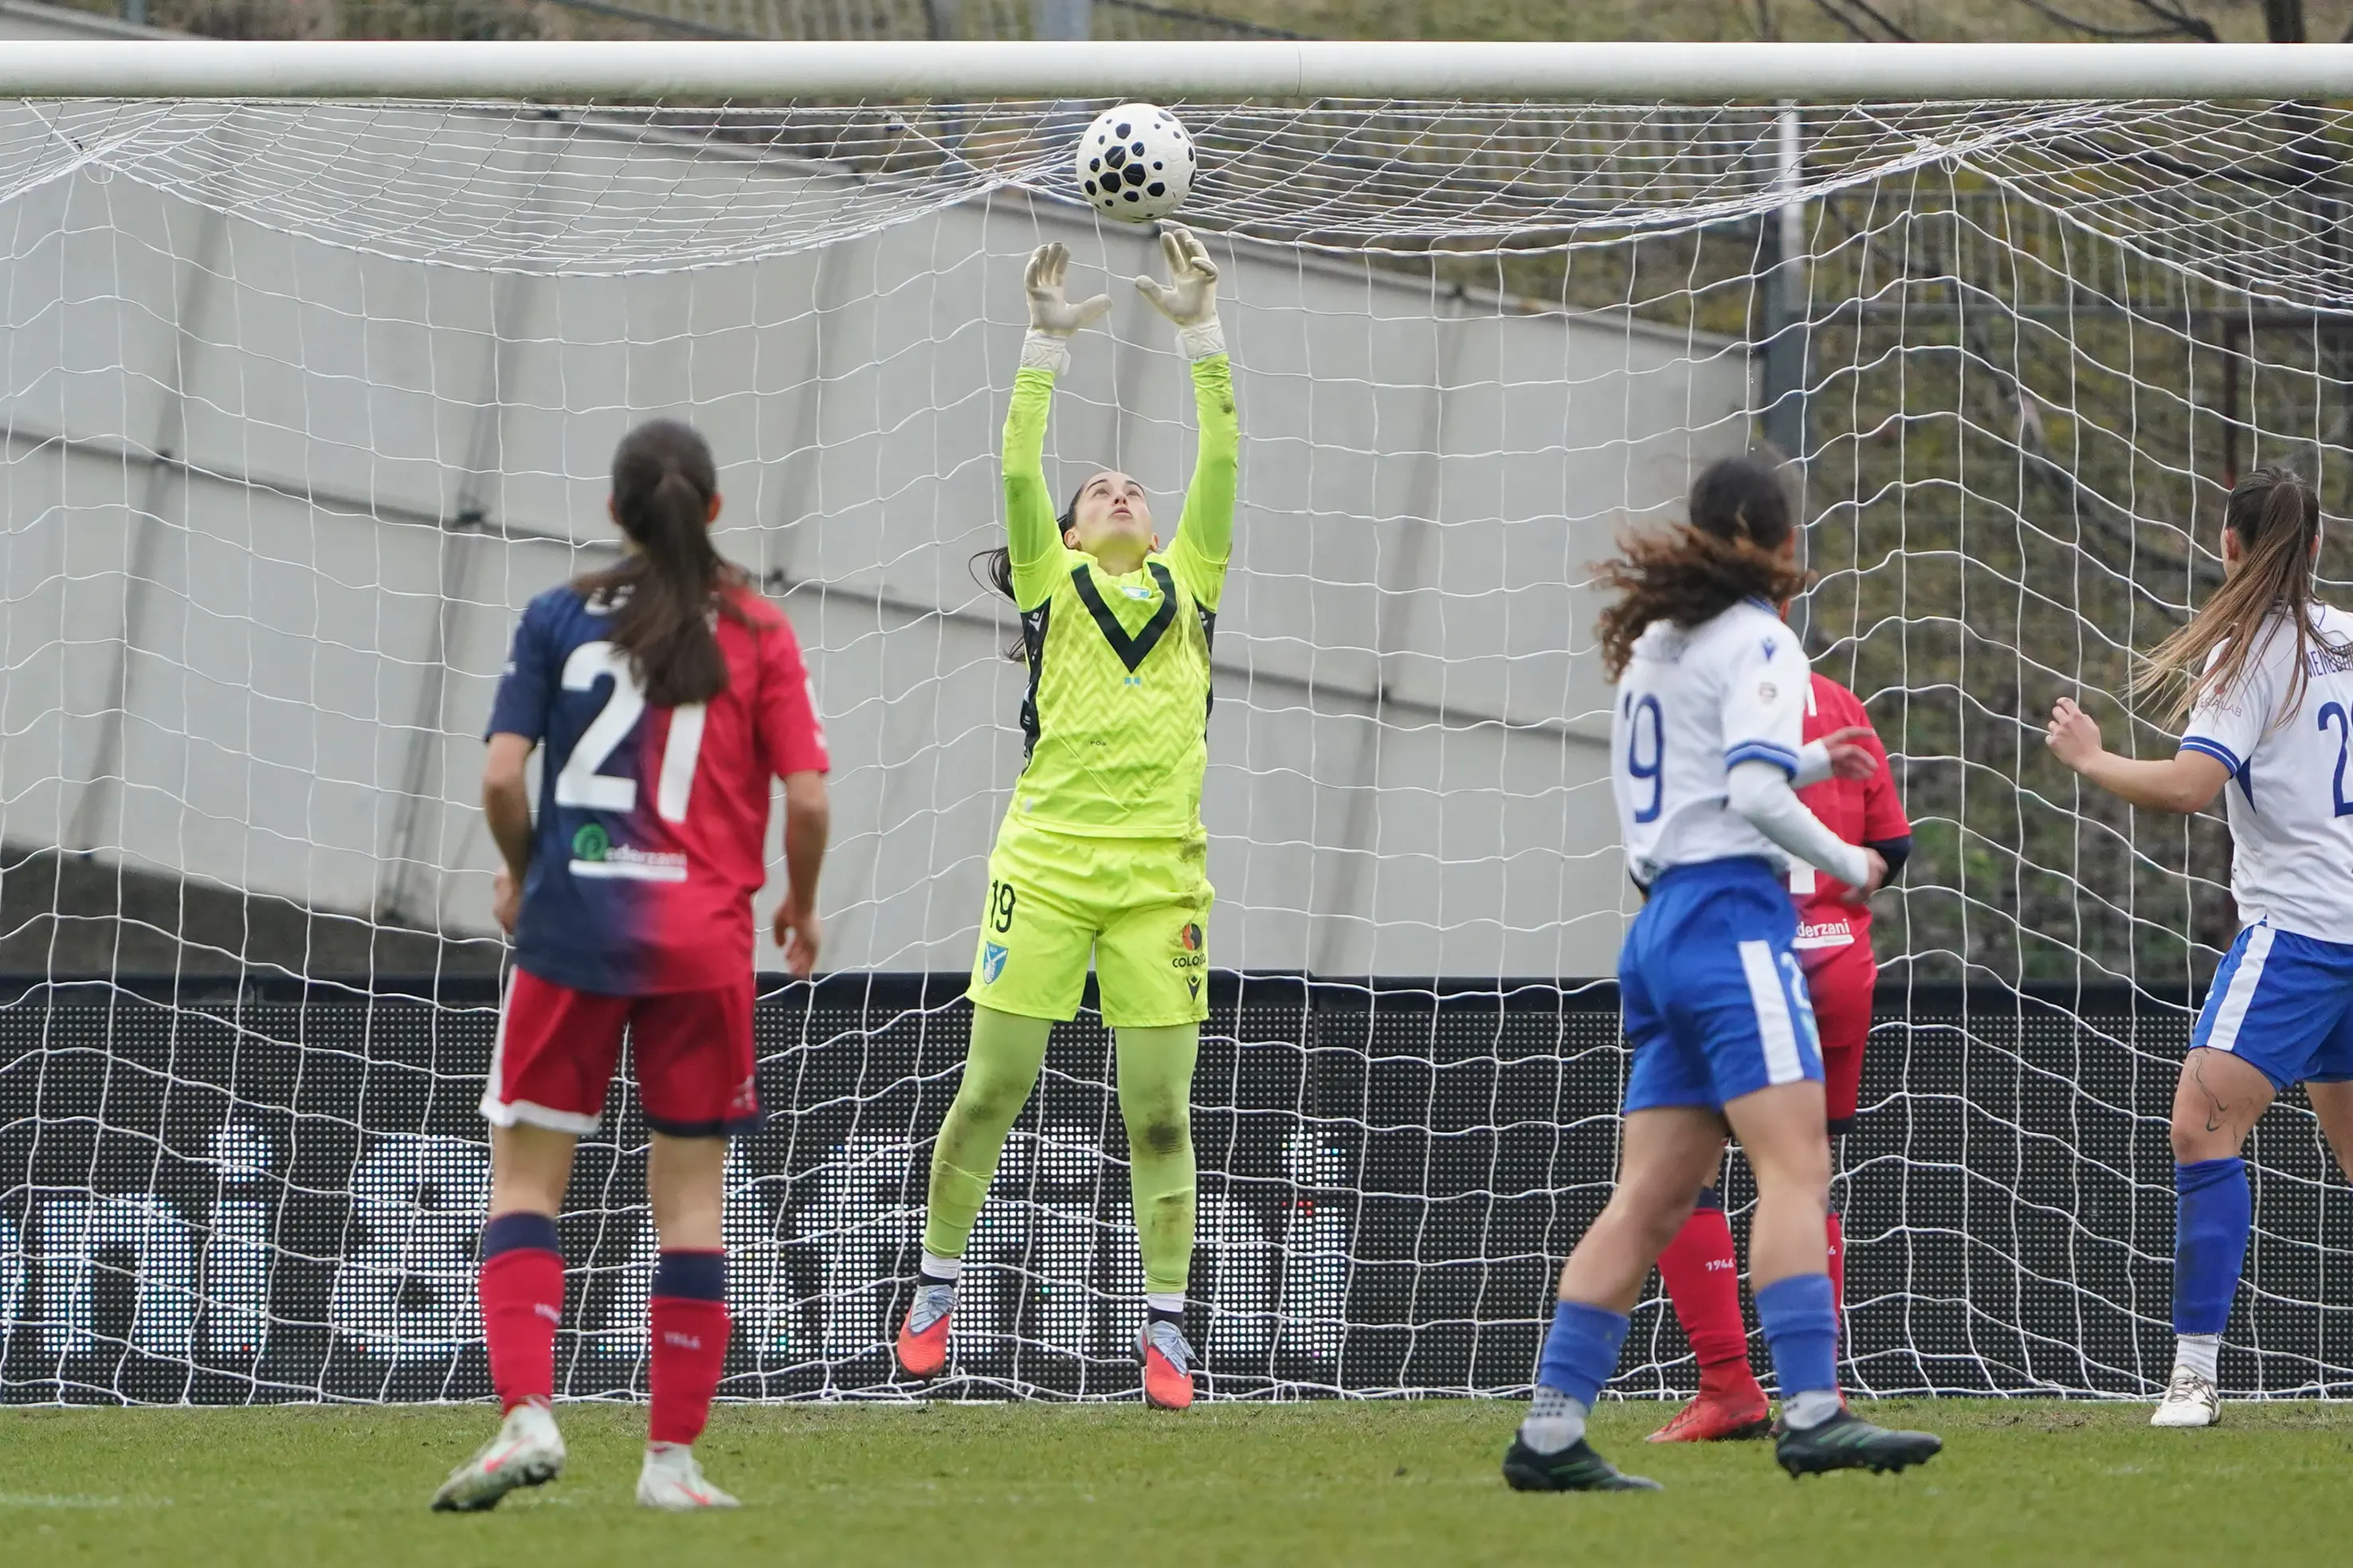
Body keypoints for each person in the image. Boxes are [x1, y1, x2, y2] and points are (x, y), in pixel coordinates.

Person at [1501, 453, 1940, 1492]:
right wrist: (1850, 861)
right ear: (1784, 545)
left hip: (1655, 929)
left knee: (1647, 1201)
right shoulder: (1762, 638)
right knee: (1794, 1169)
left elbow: (1710, 775)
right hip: (1733, 922)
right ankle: (1814, 1411)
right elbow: (1745, 790)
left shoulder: (1654, 640)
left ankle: (1551, 1434)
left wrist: (1810, 766)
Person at [433, 418, 830, 1512]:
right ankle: (669, 1465)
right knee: (691, 1202)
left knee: (523, 1182)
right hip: (703, 945)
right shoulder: (755, 627)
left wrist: (522, 875)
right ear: (712, 511)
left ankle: (525, 1415)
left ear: (616, 515)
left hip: (571, 935)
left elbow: (503, 779)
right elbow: (806, 795)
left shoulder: (559, 615)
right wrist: (798, 902)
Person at [894, 229, 1235, 1411]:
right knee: (992, 1091)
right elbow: (1014, 467)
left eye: (1133, 484)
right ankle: (936, 1284)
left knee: (1156, 1114)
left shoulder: (1195, 579)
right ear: (1075, 532)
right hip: (1040, 871)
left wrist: (1202, 333)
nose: (1121, 490)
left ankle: (1165, 1329)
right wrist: (1042, 347)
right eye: (1100, 491)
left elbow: (1225, 454)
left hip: (1160, 887)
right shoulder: (1053, 585)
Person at [2047, 465, 2353, 1429]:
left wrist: (2092, 758)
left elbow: (2187, 787)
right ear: (2313, 548)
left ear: (2228, 547)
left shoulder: (2246, 655)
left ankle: (2192, 1376)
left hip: (2301, 939)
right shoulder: (2347, 634)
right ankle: (2193, 1376)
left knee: (2199, 1127)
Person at [1649, 670, 1912, 1442]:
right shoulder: (1838, 701)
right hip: (1836, 965)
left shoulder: (1698, 697)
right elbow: (1892, 844)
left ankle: (1729, 1384)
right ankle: (1813, 1395)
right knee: (1800, 1173)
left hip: (1737, 964)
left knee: (1675, 1172)